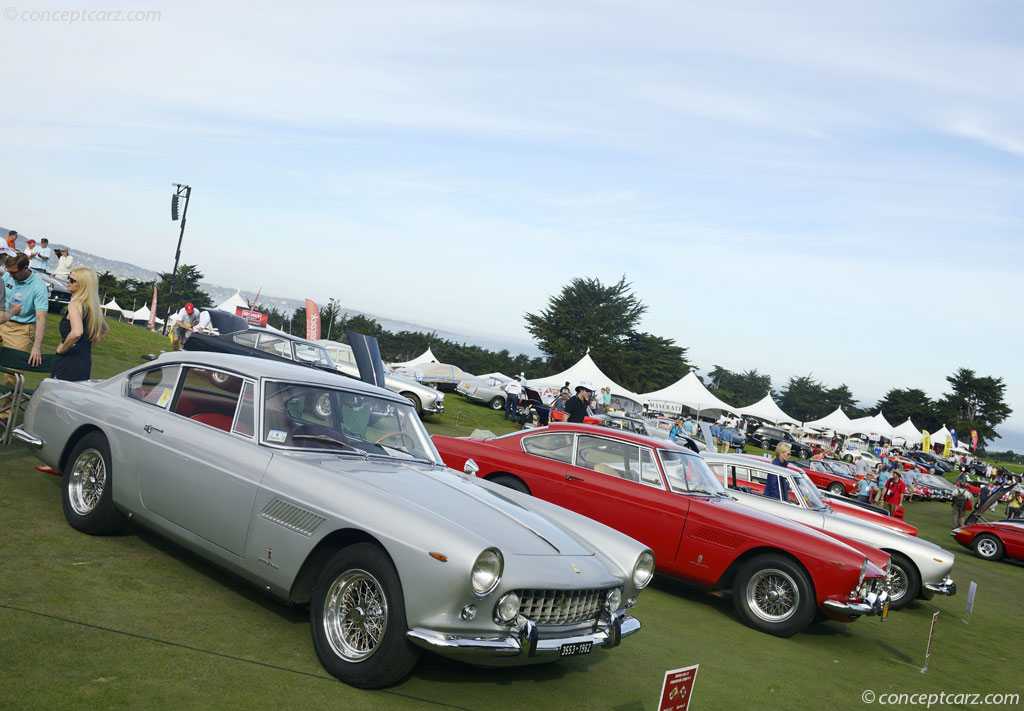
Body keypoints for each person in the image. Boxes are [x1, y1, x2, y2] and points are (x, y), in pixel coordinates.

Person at [51, 267, 108, 381]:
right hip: (84, 360)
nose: (68, 281)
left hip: (68, 360)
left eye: (72, 280)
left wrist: (63, 349)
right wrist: (85, 347)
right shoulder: (93, 307)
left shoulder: (75, 305)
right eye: (68, 278)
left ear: (82, 285)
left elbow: (77, 332)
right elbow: (104, 330)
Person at [0, 252, 49, 384]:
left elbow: (41, 318)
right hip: (2, 320)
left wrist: (37, 347)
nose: (10, 275)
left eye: (14, 272)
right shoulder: (7, 276)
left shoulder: (39, 286)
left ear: (25, 268)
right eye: (8, 271)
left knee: (12, 373)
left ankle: (8, 405)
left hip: (20, 329)